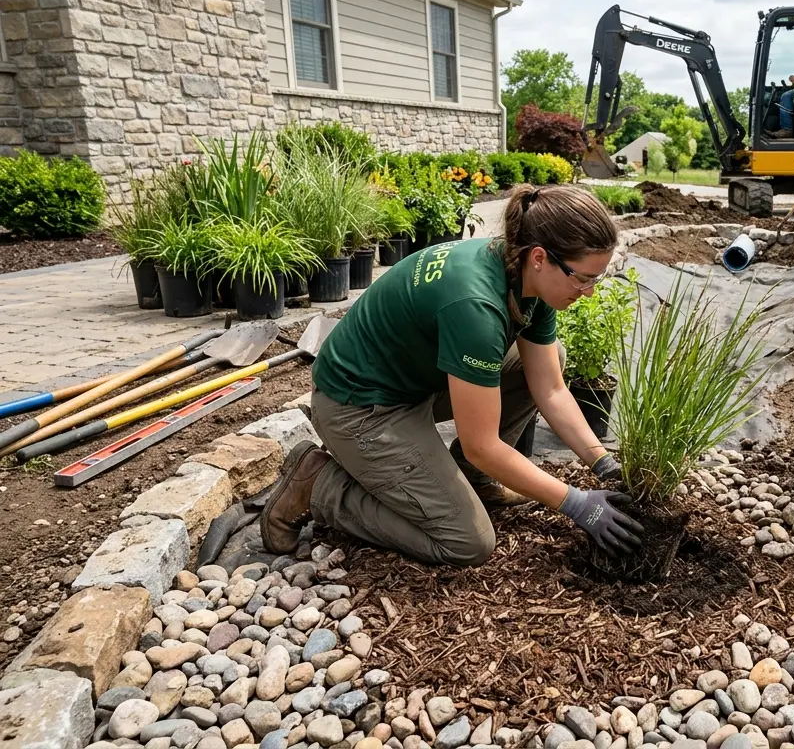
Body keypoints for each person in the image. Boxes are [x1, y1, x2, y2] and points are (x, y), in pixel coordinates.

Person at [261, 185, 645, 566]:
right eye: (584, 278)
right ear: (541, 256)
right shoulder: (475, 304)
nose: (589, 291)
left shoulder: (524, 273)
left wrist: (602, 463)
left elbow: (550, 388)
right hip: (360, 408)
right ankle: (319, 487)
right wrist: (576, 504)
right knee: (467, 542)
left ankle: (473, 481)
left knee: (551, 357)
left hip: (412, 382)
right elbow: (482, 444)